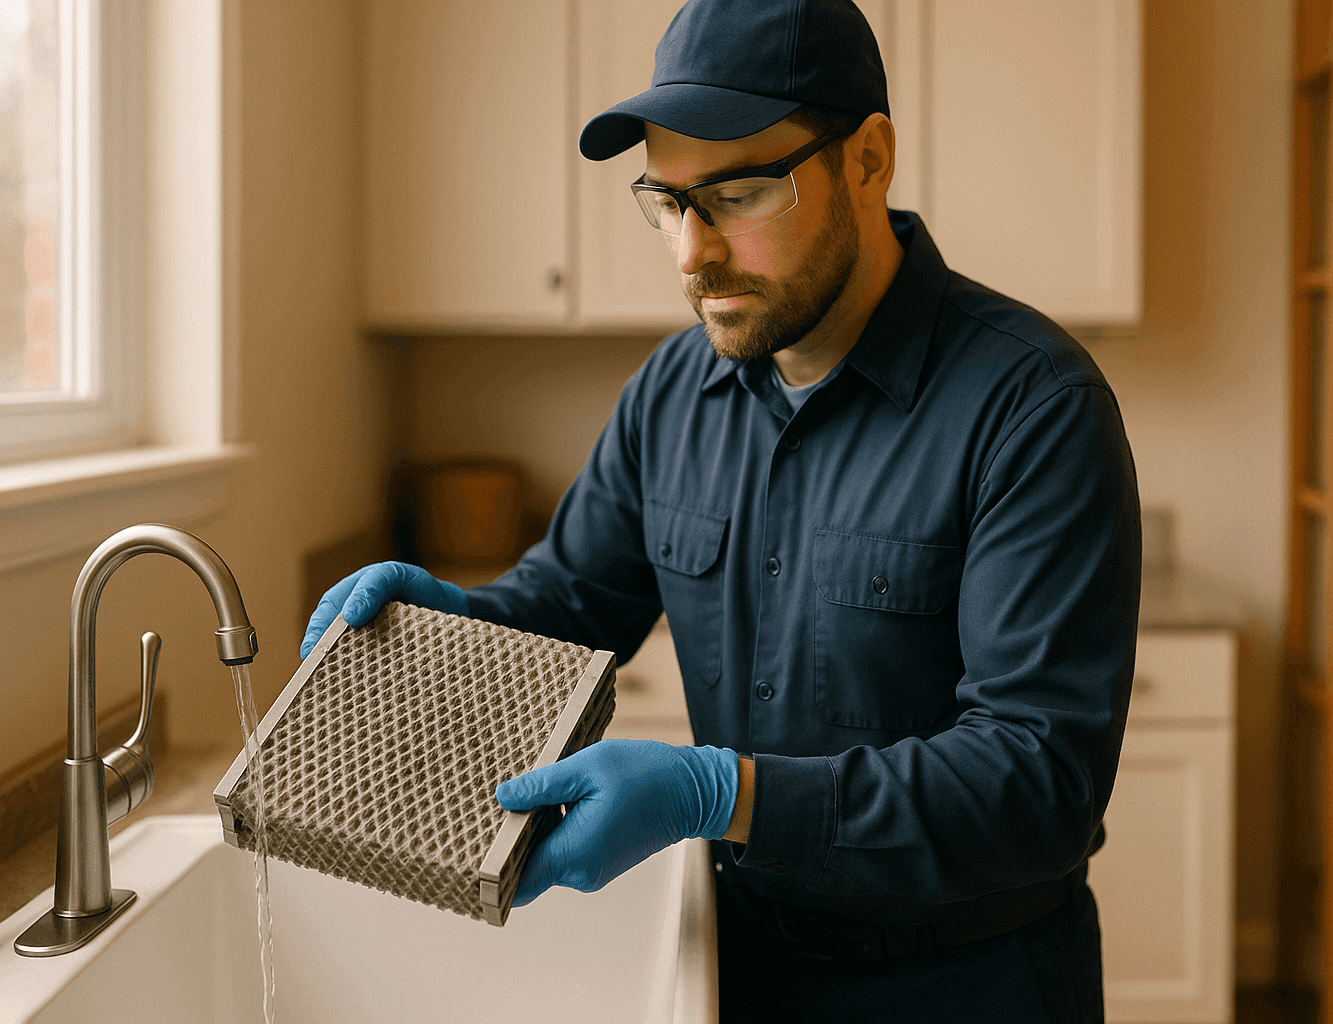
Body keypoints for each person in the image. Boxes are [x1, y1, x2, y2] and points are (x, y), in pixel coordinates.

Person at [304, 1, 1140, 1019]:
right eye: (666, 200)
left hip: (970, 983)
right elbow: (572, 603)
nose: (692, 252)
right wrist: (449, 622)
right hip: (740, 966)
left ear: (868, 160)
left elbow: (1036, 782)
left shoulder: (1033, 406)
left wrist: (724, 793)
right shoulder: (671, 394)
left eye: (740, 193)